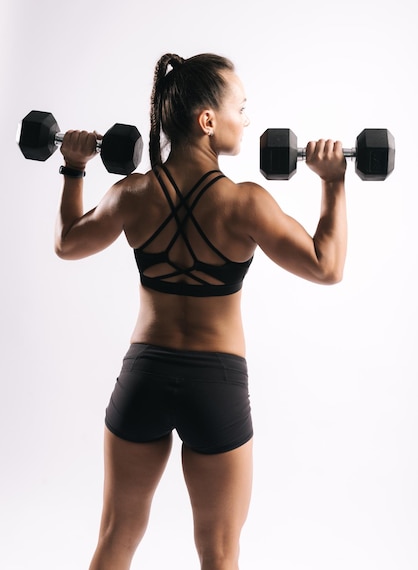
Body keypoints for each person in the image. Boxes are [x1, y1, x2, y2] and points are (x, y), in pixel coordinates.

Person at [55, 53, 347, 570]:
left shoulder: (132, 193)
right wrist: (333, 180)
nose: (248, 119)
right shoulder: (245, 204)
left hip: (143, 376)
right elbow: (327, 267)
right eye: (241, 106)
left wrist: (74, 168)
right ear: (207, 120)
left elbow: (67, 245)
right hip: (216, 386)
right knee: (218, 551)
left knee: (117, 535)